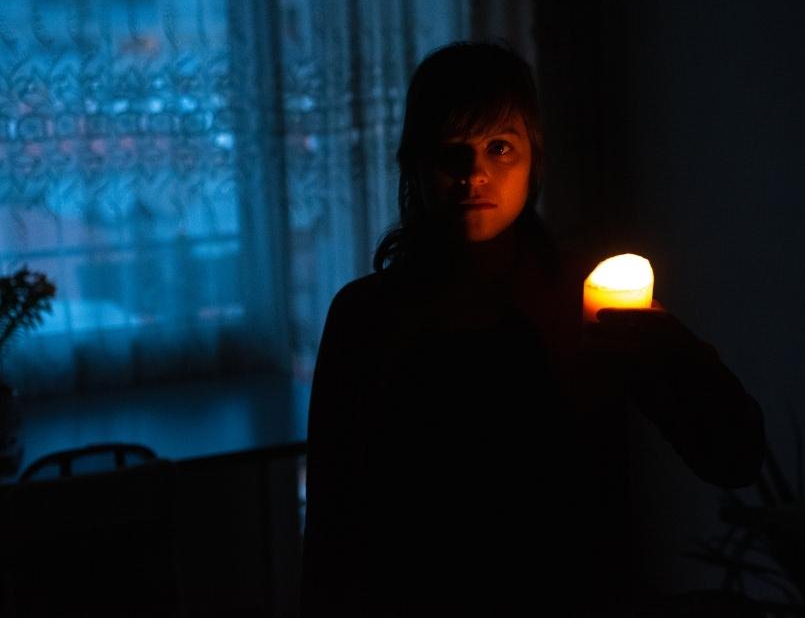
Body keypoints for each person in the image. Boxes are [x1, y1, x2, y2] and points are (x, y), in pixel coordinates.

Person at [300, 40, 765, 617]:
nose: (474, 174)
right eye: (452, 150)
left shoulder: (586, 301)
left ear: (534, 161)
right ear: (414, 164)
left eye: (500, 148)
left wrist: (673, 350)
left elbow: (733, 456)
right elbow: (332, 521)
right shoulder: (367, 316)